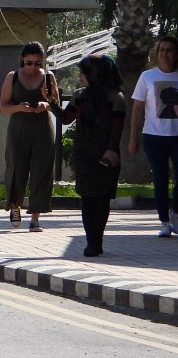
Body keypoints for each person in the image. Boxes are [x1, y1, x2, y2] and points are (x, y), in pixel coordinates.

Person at [61, 54, 125, 257]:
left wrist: (111, 150)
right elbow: (66, 119)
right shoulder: (80, 95)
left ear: (97, 73)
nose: (80, 76)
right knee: (88, 198)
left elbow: (117, 128)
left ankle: (97, 240)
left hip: (106, 153)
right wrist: (52, 102)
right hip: (83, 152)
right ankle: (92, 242)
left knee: (102, 197)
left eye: (84, 72)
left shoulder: (116, 98)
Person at [0, 41, 61, 231]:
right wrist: (19, 107)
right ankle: (15, 206)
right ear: (22, 60)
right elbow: (3, 106)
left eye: (38, 63)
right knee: (17, 170)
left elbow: (56, 105)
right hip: (19, 130)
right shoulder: (13, 77)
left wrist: (45, 105)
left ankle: (35, 218)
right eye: (29, 63)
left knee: (42, 172)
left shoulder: (48, 77)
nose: (33, 67)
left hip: (43, 130)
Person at [127, 35, 178, 237]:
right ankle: (164, 221)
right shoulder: (147, 77)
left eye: (169, 50)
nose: (165, 53)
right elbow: (137, 109)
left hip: (177, 137)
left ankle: (176, 214)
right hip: (154, 136)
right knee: (160, 178)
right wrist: (133, 137)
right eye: (161, 49)